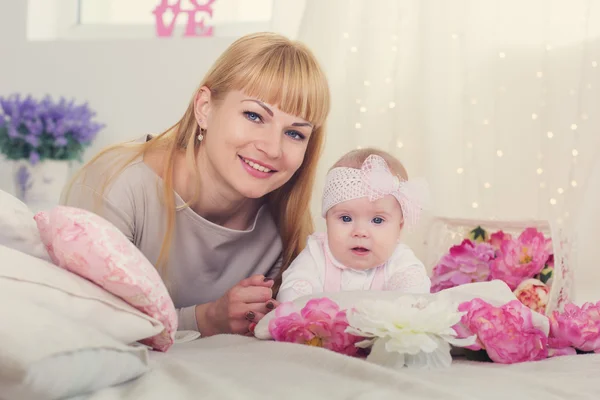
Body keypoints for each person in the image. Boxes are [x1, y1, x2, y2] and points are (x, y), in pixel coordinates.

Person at [61, 32, 331, 337]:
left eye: (295, 133)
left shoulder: (284, 227)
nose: (272, 149)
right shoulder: (116, 184)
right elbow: (84, 322)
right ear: (204, 107)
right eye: (254, 115)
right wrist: (205, 319)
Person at [276, 148, 431, 302]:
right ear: (327, 220)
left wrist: (406, 300)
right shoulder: (316, 254)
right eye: (345, 218)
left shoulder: (399, 259)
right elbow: (294, 289)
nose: (360, 232)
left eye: (377, 220)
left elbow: (415, 291)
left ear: (399, 226)